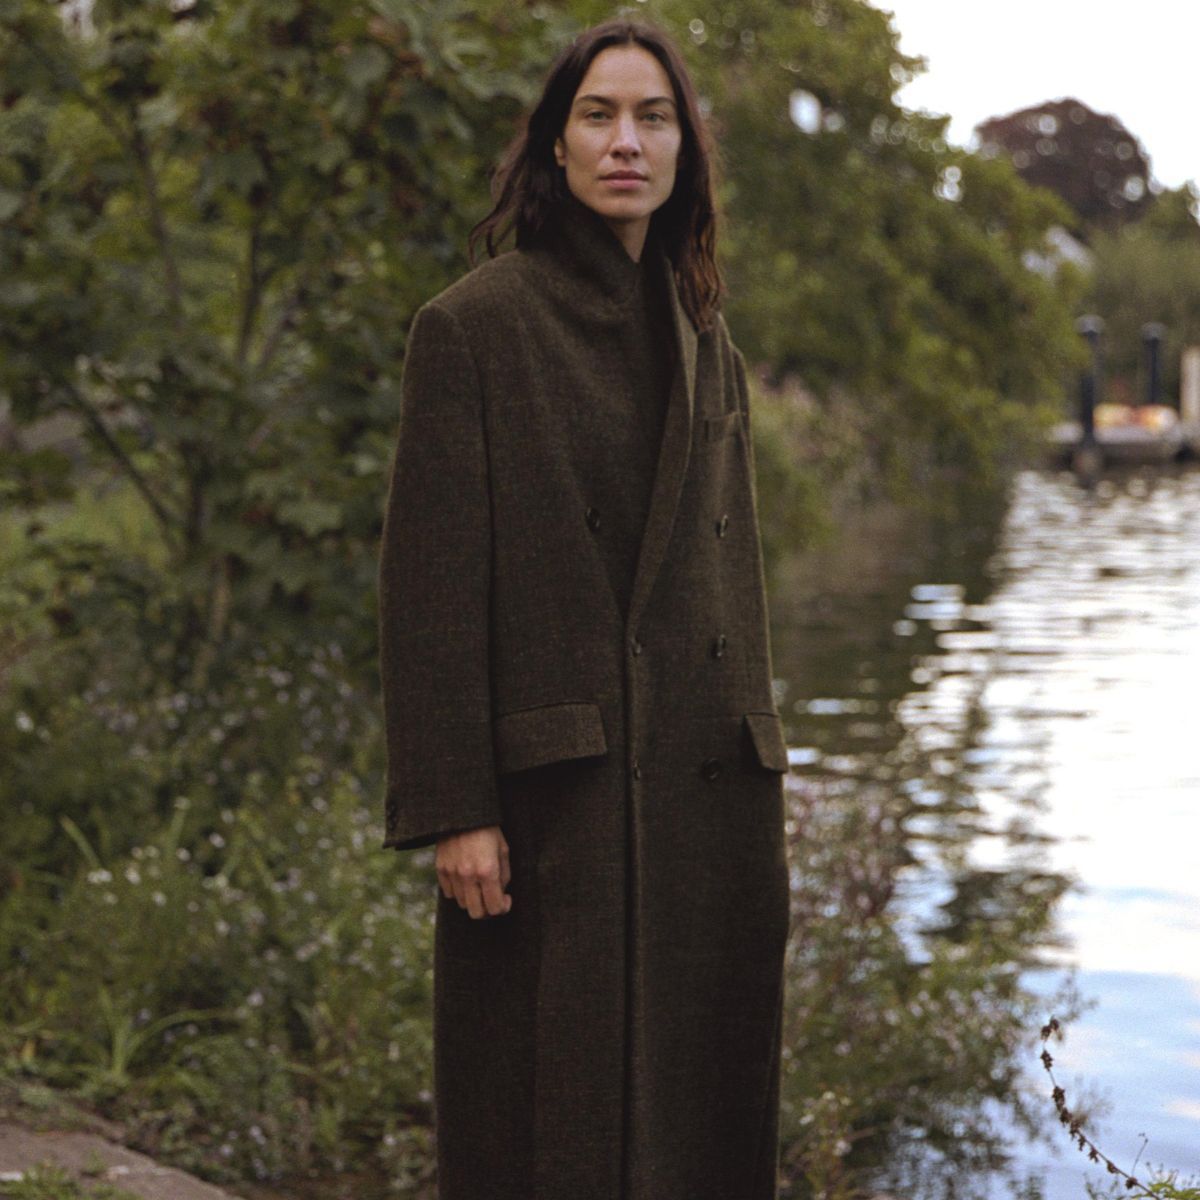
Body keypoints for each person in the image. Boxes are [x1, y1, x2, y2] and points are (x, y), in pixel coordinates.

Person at [377, 17, 791, 1200]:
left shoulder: (708, 337)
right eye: (598, 115)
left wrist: (763, 761)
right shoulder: (474, 327)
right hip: (558, 799)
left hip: (708, 798)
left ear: (684, 152)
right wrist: (457, 807)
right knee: (543, 1121)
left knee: (701, 1128)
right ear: (554, 147)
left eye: (653, 118)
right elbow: (429, 589)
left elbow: (733, 588)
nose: (626, 142)